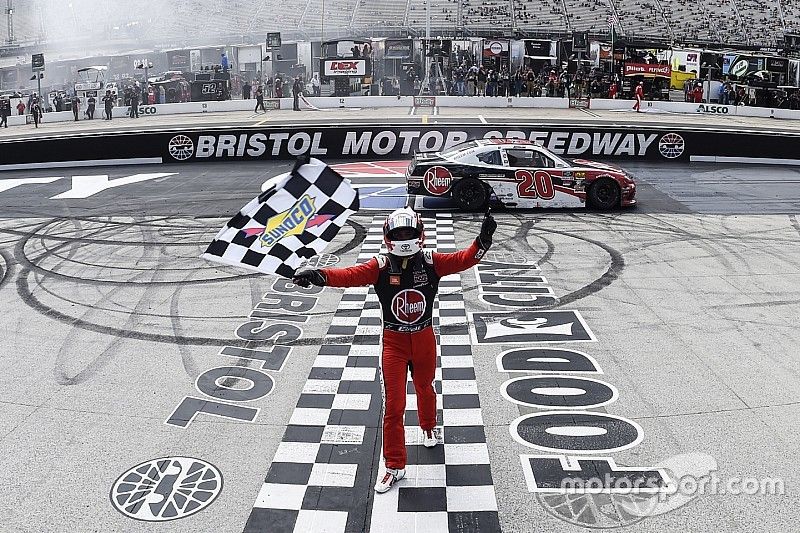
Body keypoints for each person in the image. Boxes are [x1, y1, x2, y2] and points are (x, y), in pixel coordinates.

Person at [292, 208, 497, 494]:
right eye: (398, 234)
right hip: (394, 343)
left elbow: (462, 260)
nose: (403, 239)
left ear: (419, 234)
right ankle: (394, 466)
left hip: (424, 337)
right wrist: (318, 275)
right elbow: (349, 275)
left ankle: (428, 425)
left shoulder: (431, 261)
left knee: (425, 387)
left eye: (408, 233)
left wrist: (482, 241)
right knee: (394, 407)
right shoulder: (380, 265)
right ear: (388, 238)